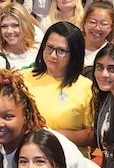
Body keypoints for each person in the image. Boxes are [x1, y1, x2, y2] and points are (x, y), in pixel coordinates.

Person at [23, 22, 95, 151]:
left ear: (74, 54)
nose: (53, 55)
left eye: (61, 51)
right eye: (49, 47)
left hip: (69, 158)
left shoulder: (86, 87)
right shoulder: (21, 78)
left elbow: (91, 135)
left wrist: (52, 137)